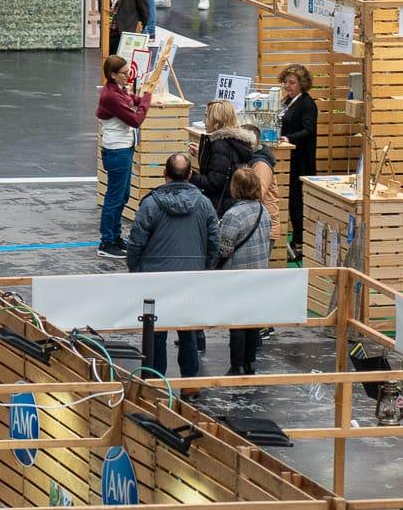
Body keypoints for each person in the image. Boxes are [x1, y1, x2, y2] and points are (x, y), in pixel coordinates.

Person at [125, 152, 219, 377]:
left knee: (155, 332)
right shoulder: (204, 204)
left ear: (164, 173)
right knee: (188, 330)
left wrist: (135, 269)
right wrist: (205, 268)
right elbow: (214, 241)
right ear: (190, 174)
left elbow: (136, 241)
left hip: (155, 278)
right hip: (191, 277)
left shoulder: (151, 204)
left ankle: (155, 381)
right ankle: (189, 382)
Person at [215, 165, 273, 375]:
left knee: (238, 321)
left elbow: (224, 249)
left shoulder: (233, 215)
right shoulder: (263, 211)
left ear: (236, 187)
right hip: (259, 273)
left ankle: (237, 364)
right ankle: (250, 362)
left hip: (237, 275)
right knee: (252, 320)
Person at [96, 55, 152, 259]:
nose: (129, 76)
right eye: (124, 73)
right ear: (113, 75)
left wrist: (142, 100)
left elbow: (130, 99)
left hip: (124, 149)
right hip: (117, 151)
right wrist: (147, 99)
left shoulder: (118, 90)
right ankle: (107, 241)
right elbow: (135, 120)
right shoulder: (111, 96)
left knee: (123, 195)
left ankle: (115, 236)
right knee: (114, 197)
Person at [278, 64, 318, 259]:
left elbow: (308, 130)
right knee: (292, 200)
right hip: (289, 158)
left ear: (302, 84)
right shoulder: (288, 101)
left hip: (301, 159)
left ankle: (300, 242)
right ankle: (296, 240)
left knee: (297, 201)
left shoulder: (307, 104)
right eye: (286, 82)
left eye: (292, 83)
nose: (287, 86)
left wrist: (289, 138)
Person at [191, 100, 257, 217]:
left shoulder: (220, 144)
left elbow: (214, 182)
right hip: (232, 202)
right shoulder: (236, 142)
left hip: (220, 207)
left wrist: (192, 175)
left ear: (217, 119)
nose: (203, 121)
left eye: (206, 116)